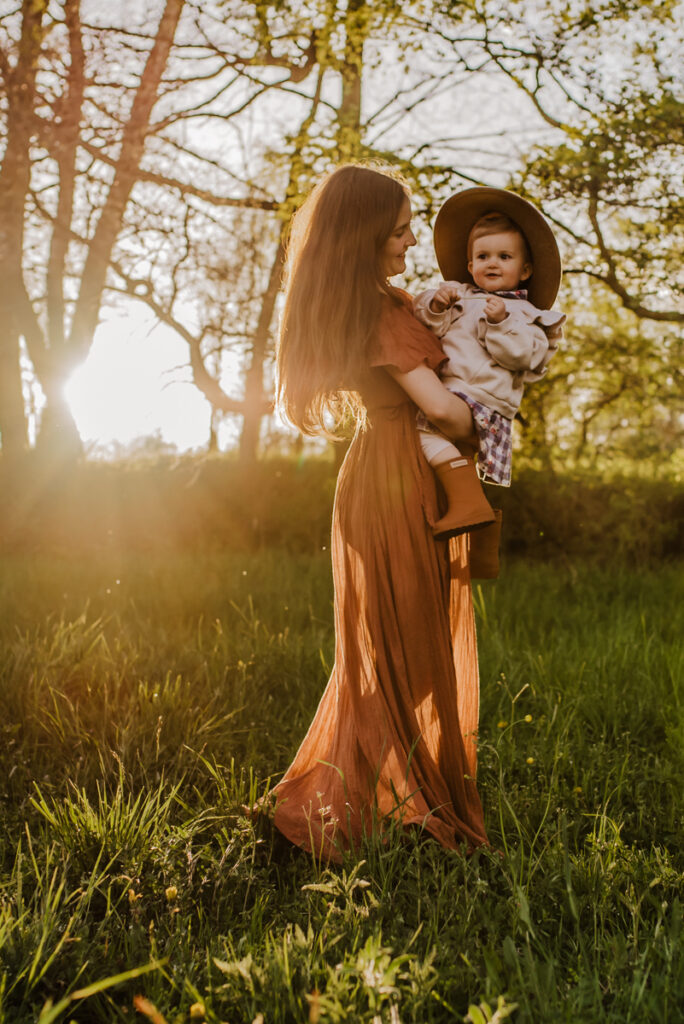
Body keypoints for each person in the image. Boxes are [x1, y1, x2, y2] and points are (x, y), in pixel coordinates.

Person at [269, 164, 489, 862]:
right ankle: (357, 801)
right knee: (407, 646)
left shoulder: (371, 301)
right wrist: (489, 413)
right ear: (365, 235)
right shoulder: (379, 310)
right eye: (398, 230)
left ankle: (364, 793)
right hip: (399, 474)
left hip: (376, 471)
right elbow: (445, 410)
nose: (410, 239)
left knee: (394, 647)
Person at [413, 188, 565, 572]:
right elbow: (422, 324)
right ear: (469, 264)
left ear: (524, 270)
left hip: (483, 400)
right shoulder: (461, 296)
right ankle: (479, 552)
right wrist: (436, 303)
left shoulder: (528, 314)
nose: (492, 263)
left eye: (504, 257)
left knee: (421, 435)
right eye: (483, 257)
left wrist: (500, 323)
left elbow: (524, 357)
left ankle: (471, 508)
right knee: (446, 463)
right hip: (454, 394)